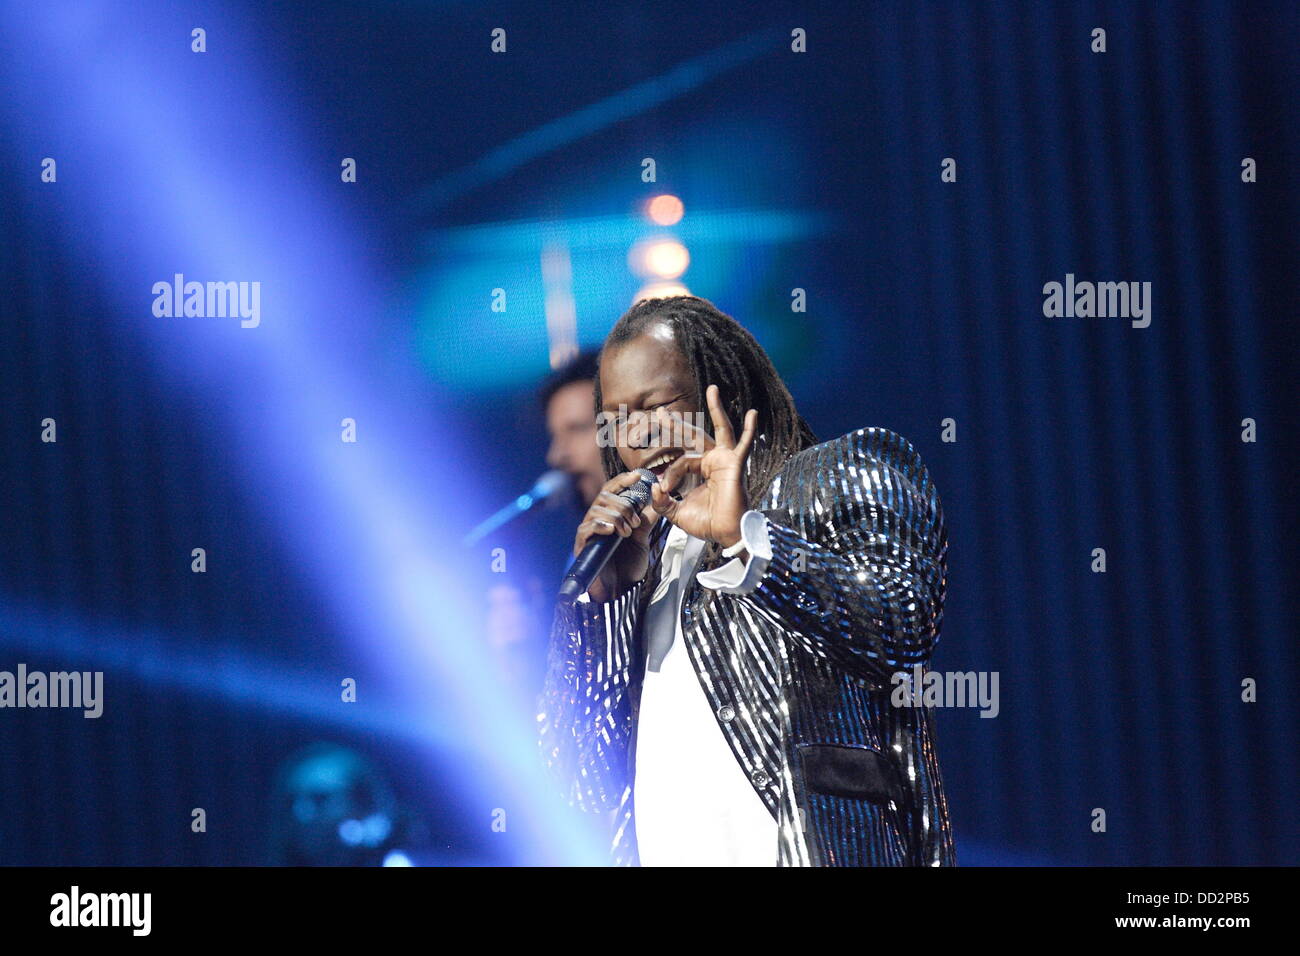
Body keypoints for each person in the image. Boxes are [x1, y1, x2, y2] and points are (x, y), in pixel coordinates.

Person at [537, 295, 955, 866]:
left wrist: (746, 543)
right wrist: (604, 603)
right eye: (617, 418)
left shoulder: (837, 475)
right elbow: (574, 782)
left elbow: (899, 622)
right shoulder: (647, 564)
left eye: (657, 405)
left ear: (724, 393)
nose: (638, 435)